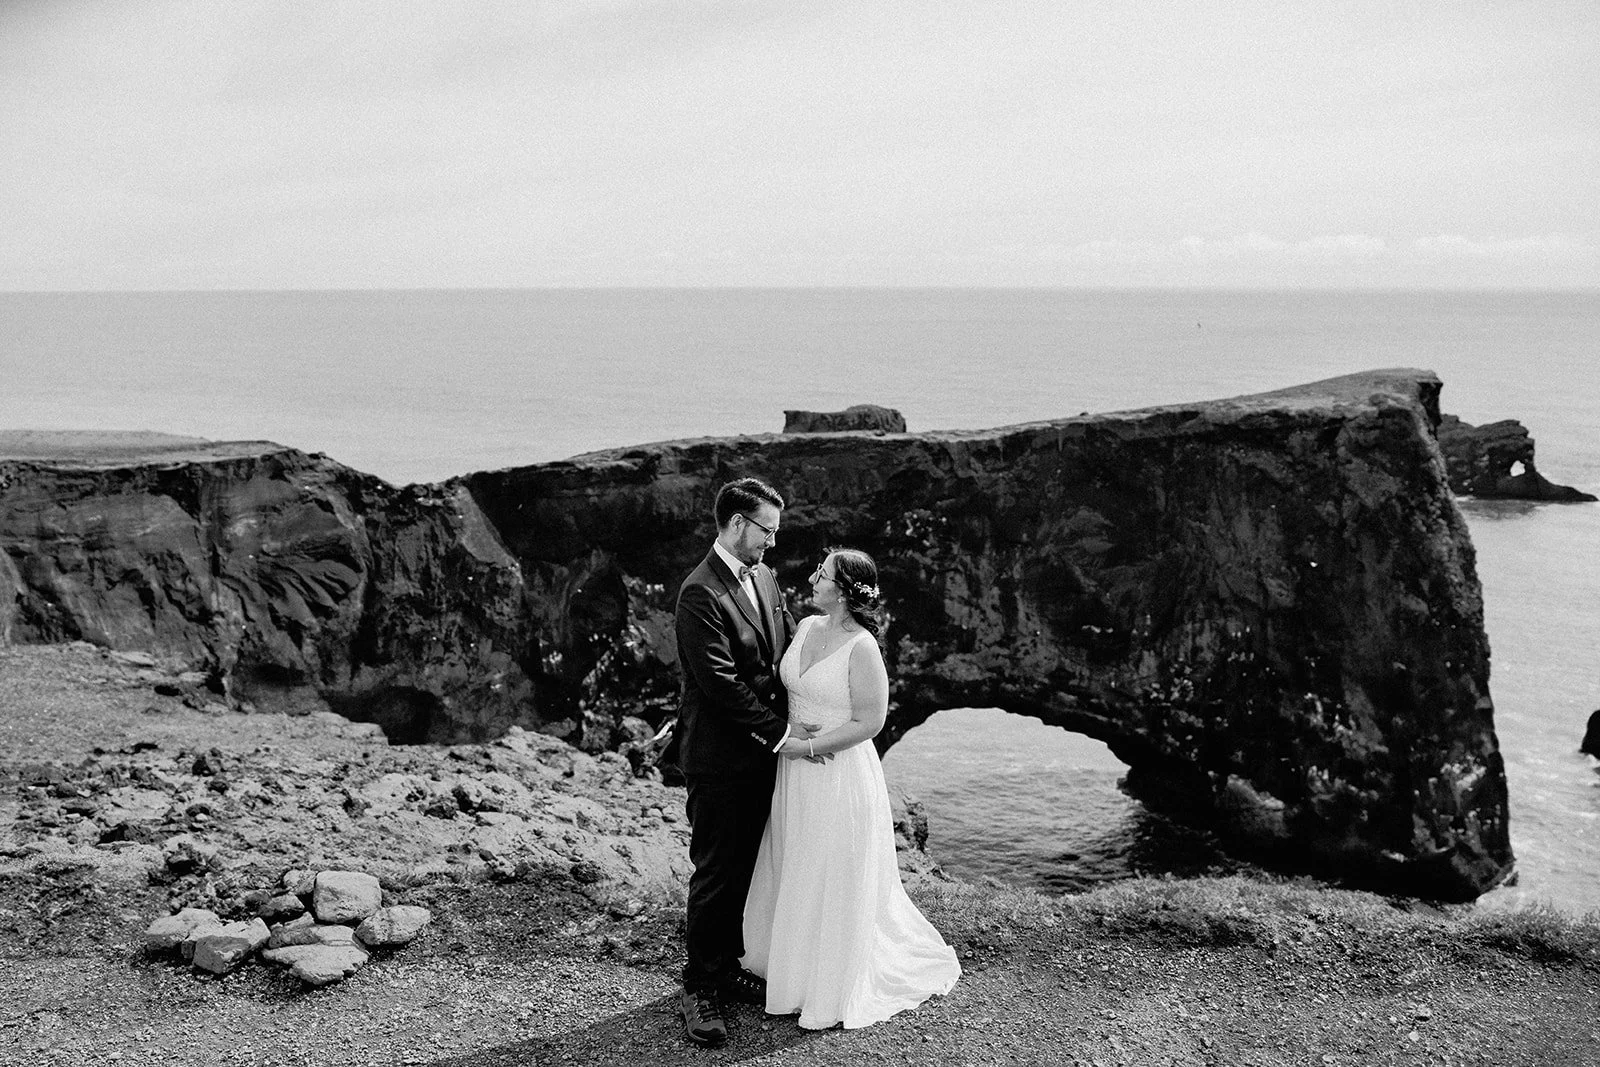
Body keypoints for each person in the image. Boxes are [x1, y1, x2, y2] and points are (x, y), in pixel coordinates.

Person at [742, 547, 961, 1030]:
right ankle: (789, 968)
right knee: (794, 858)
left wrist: (810, 747)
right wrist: (786, 736)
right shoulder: (803, 628)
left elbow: (871, 721)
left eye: (822, 574)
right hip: (793, 770)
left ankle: (828, 979)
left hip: (836, 771)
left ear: (841, 591)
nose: (813, 578)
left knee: (830, 866)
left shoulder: (862, 647)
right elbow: (785, 691)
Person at [667, 477, 821, 1048]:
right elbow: (721, 685)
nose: (772, 545)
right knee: (717, 870)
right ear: (737, 524)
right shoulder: (699, 593)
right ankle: (700, 988)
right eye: (767, 532)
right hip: (719, 758)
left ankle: (728, 969)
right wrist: (782, 734)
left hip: (760, 753)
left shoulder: (762, 576)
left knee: (751, 868)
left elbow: (777, 655)